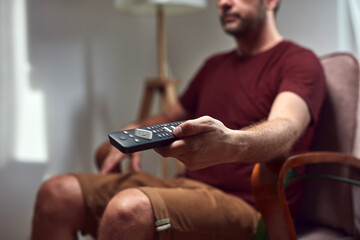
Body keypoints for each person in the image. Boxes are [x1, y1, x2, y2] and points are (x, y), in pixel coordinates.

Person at [31, 0, 326, 239]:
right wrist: (134, 129)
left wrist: (232, 143)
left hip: (247, 205)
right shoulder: (214, 65)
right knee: (57, 193)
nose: (223, 3)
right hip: (186, 187)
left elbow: (286, 128)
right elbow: (169, 117)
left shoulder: (299, 60)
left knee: (128, 209)